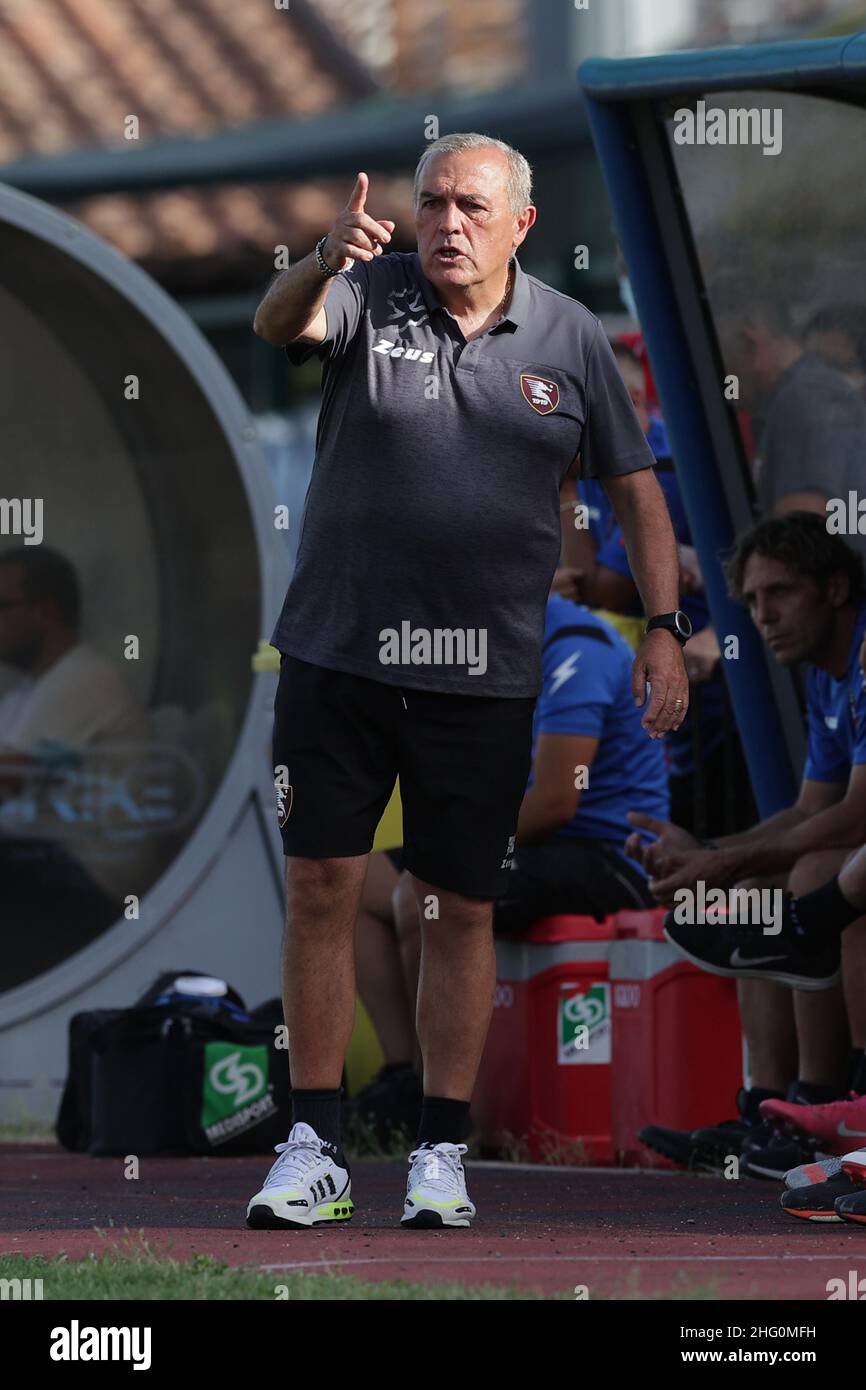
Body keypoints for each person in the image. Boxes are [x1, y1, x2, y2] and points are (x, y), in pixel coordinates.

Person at [246, 131, 689, 1230]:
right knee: (321, 888)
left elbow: (634, 490)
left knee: (455, 904)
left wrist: (666, 625)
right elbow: (279, 323)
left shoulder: (571, 336)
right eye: (433, 201)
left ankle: (441, 1151)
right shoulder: (367, 288)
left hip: (483, 674)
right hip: (337, 652)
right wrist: (318, 258)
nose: (448, 222)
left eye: (472, 207)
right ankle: (312, 1144)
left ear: (520, 225)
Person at [628, 514, 866, 1179]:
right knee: (755, 887)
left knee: (814, 866)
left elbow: (854, 818)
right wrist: (706, 853)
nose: (765, 616)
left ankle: (826, 1107)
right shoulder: (827, 672)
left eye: (781, 593)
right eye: (754, 601)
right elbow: (808, 808)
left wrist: (720, 861)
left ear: (837, 589)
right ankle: (771, 1109)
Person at [0, 547, 150, 989]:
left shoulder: (83, 678)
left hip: (94, 882)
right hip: (46, 863)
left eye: (1, 606)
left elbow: (9, 776)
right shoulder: (27, 690)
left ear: (45, 610)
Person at [711, 273, 866, 541]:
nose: (725, 378)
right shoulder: (788, 400)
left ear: (749, 346)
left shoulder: (804, 399)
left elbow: (800, 534)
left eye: (724, 362)